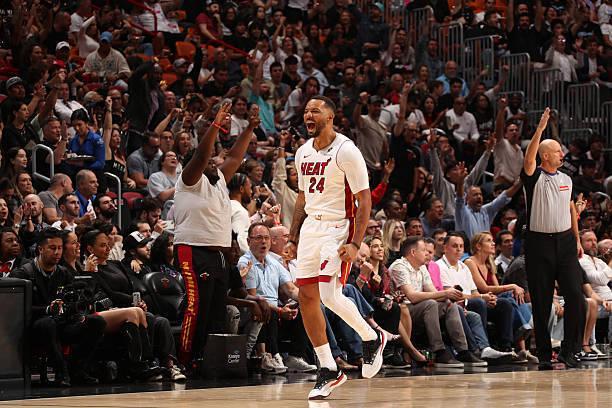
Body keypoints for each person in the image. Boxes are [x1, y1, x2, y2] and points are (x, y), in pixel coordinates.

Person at [287, 95, 386, 400]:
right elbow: (302, 197)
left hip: (337, 227)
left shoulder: (347, 151)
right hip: (311, 228)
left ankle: (371, 337)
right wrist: (292, 237)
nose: (309, 115)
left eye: (315, 111)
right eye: (306, 111)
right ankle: (329, 368)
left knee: (329, 295)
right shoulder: (302, 152)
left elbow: (364, 200)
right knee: (306, 297)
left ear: (330, 117)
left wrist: (355, 243)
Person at [173, 102, 257, 366]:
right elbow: (200, 155)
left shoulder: (218, 179)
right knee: (196, 306)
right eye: (208, 161)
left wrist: (250, 128)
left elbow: (234, 158)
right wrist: (216, 125)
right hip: (192, 249)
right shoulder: (189, 180)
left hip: (218, 254)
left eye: (213, 161)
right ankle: (185, 360)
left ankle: (208, 360)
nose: (212, 163)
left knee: (216, 310)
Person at [521, 108, 585, 369]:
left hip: (566, 243)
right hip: (539, 244)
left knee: (576, 297)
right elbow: (529, 159)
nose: (562, 154)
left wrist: (577, 239)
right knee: (541, 301)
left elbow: (569, 210)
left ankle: (570, 351)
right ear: (545, 155)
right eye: (558, 151)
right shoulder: (534, 176)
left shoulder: (567, 179)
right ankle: (545, 355)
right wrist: (540, 129)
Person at [11, 228, 106, 385]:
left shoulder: (63, 273)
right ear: (40, 249)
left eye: (60, 248)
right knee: (48, 323)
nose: (57, 252)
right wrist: (48, 309)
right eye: (52, 248)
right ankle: (62, 373)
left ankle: (77, 369)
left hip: (62, 323)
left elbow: (72, 301)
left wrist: (77, 309)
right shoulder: (23, 274)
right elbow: (17, 309)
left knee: (97, 322)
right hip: (33, 326)